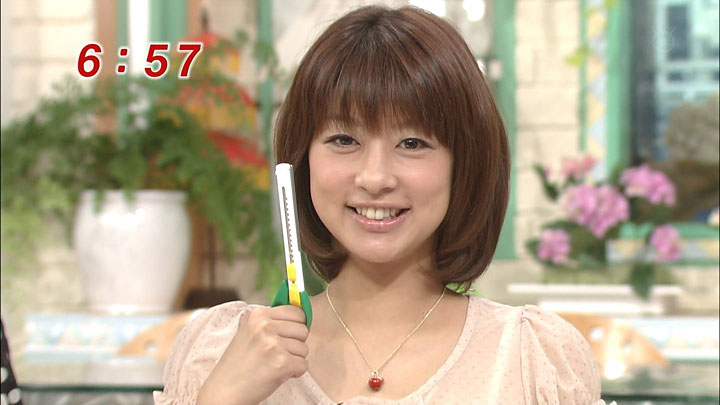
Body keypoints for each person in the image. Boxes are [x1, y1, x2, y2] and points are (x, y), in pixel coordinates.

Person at [154, 5, 606, 404]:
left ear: (464, 164)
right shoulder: (218, 353)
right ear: (302, 160)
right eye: (343, 139)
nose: (374, 178)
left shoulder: (533, 362)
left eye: (412, 143)